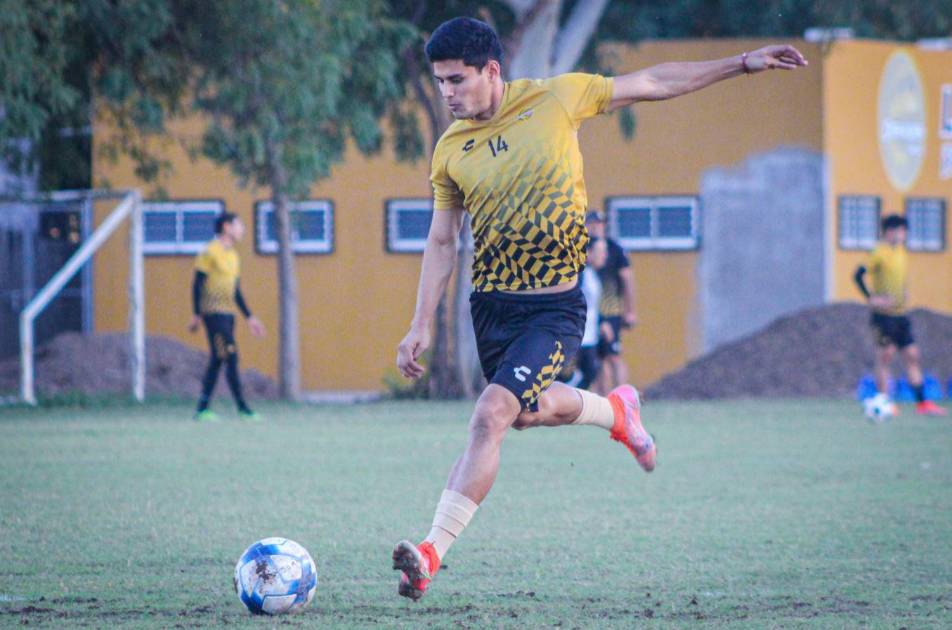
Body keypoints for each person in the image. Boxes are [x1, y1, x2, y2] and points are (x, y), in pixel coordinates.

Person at [393, 16, 808, 600]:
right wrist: (419, 323)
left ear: (492, 70)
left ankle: (431, 553)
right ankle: (616, 412)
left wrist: (740, 63)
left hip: (554, 311)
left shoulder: (556, 98)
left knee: (491, 415)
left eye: (456, 80)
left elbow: (654, 82)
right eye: (439, 82)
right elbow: (442, 241)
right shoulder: (450, 149)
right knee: (525, 414)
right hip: (491, 309)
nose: (447, 93)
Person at [853, 214, 946, 416]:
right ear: (890, 231)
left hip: (901, 314)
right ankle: (884, 402)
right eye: (901, 231)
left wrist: (903, 291)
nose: (903, 235)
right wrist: (872, 298)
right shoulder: (878, 252)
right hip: (883, 316)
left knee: (912, 355)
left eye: (904, 232)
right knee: (885, 356)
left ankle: (923, 403)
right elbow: (858, 274)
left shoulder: (901, 252)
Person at [188, 212, 265, 421]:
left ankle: (202, 408)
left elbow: (235, 291)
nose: (242, 229)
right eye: (239, 225)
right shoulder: (209, 252)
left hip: (228, 315)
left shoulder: (233, 256)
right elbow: (197, 284)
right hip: (213, 314)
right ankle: (243, 409)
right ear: (226, 227)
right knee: (231, 355)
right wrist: (196, 314)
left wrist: (250, 317)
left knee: (218, 359)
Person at [585, 210, 637, 392]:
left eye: (600, 223)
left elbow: (627, 279)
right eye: (593, 223)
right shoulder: (582, 249)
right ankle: (603, 398)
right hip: (591, 314)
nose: (596, 227)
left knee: (613, 356)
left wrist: (630, 311)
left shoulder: (615, 249)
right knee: (597, 359)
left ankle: (622, 396)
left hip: (610, 311)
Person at [566, 237, 609, 390]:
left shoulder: (594, 274)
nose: (604, 255)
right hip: (578, 333)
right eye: (600, 251)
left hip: (590, 334)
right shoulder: (580, 275)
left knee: (590, 373)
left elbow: (593, 305)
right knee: (577, 373)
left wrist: (602, 322)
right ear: (589, 253)